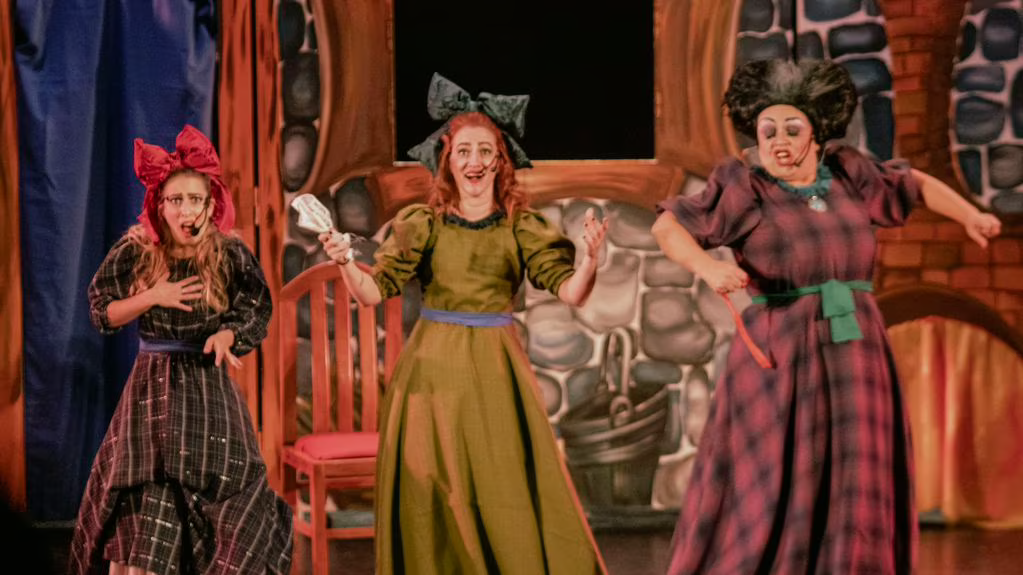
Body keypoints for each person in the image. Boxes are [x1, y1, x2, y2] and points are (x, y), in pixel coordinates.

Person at [653, 59, 1002, 575]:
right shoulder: (745, 186)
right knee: (776, 474)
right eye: (768, 131)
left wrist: (971, 215)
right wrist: (706, 267)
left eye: (792, 129)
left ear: (816, 131)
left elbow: (914, 184)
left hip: (856, 348)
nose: (779, 141)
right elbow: (669, 226)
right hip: (782, 350)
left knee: (855, 470)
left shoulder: (846, 172)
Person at [318, 73, 610, 574]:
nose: (474, 162)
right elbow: (371, 292)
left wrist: (590, 260)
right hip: (432, 375)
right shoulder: (423, 224)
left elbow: (571, 292)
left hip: (497, 372)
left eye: (485, 151)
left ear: (501, 161)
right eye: (464, 152)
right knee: (435, 490)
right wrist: (345, 260)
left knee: (503, 487)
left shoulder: (521, 226)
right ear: (448, 161)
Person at [69, 125, 292, 575]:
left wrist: (228, 335)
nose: (187, 210)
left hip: (207, 391)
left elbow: (255, 309)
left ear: (211, 204)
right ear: (160, 205)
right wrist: (154, 295)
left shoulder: (229, 252)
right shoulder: (136, 249)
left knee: (228, 509)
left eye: (196, 199)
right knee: (144, 505)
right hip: (152, 394)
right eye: (177, 200)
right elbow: (102, 311)